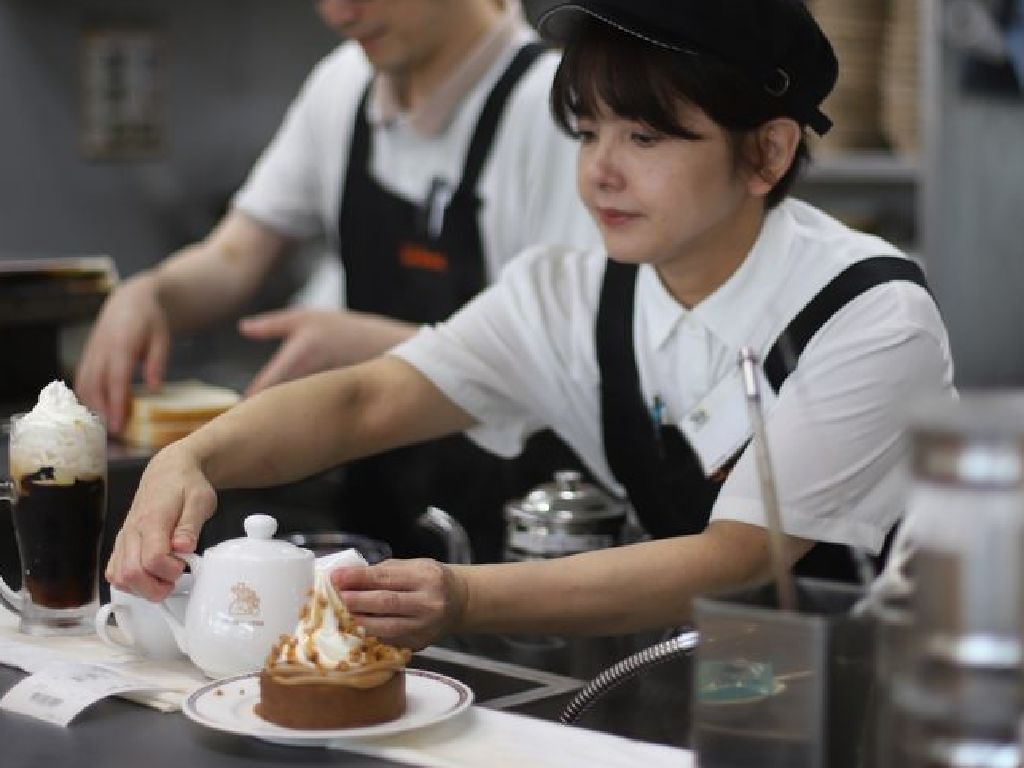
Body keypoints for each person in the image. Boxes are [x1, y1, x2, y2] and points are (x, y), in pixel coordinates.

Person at [106, 0, 954, 650]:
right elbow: (367, 400)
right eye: (587, 134)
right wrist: (195, 456)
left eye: (646, 137)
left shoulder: (870, 314)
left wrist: (467, 597)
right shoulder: (572, 291)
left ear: (766, 153)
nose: (600, 175)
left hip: (875, 690)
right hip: (715, 671)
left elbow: (733, 556)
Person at [75, 0, 599, 561]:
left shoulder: (556, 110)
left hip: (521, 527)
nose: (339, 13)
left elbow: (570, 356)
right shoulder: (344, 82)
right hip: (380, 503)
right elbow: (234, 255)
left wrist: (377, 347)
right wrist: (152, 293)